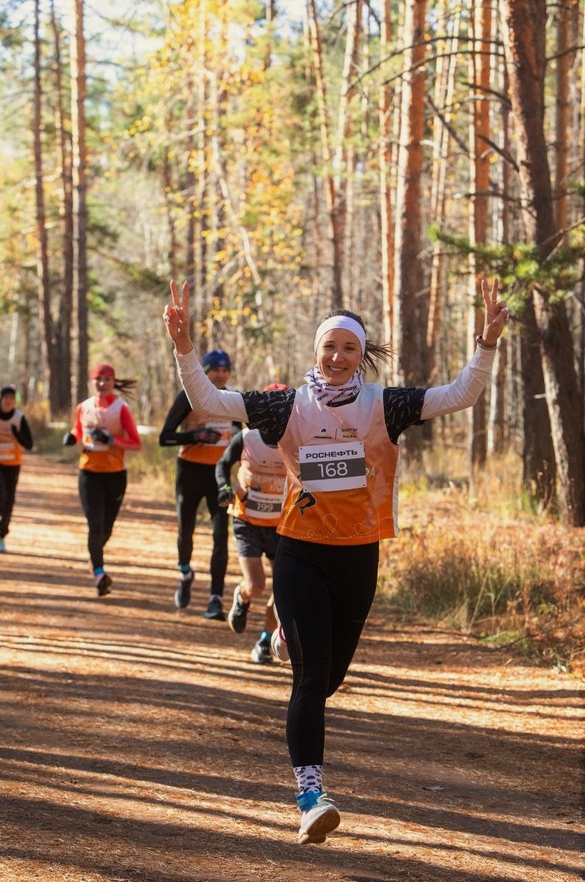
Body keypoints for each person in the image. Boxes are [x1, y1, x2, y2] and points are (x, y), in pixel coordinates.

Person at [163, 277, 509, 846]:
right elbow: (209, 403)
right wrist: (183, 348)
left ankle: (284, 643)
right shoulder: (286, 406)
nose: (339, 356)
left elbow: (458, 395)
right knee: (311, 676)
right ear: (316, 352)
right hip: (299, 552)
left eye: (349, 347)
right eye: (330, 346)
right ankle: (310, 795)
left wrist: (486, 345)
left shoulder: (385, 404)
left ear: (361, 355)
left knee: (330, 678)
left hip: (358, 557)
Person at [159, 349, 241, 621]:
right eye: (215, 370)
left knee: (220, 536)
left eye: (224, 370)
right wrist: (196, 435)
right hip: (190, 473)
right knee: (186, 531)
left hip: (218, 477)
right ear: (204, 371)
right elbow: (165, 437)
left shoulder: (232, 399)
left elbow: (244, 434)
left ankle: (215, 598)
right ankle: (185, 572)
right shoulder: (188, 396)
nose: (220, 374)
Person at [215, 386, 290, 664]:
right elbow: (222, 465)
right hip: (246, 520)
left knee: (284, 589)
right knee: (257, 584)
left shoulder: (295, 440)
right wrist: (223, 487)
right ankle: (243, 597)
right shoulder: (245, 438)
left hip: (282, 525)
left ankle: (263, 640)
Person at [63, 364, 142, 597]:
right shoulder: (83, 407)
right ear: (92, 381)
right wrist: (71, 437)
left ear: (113, 382)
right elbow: (78, 431)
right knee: (95, 525)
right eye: (98, 379)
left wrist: (111, 440)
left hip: (115, 475)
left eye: (107, 379)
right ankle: (99, 573)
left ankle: (93, 558)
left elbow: (136, 443)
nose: (102, 383)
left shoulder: (121, 409)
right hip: (89, 473)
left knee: (106, 528)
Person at [0, 385, 34, 553]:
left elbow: (29, 444)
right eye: (5, 398)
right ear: (1, 400)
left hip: (12, 464)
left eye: (11, 398)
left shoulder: (19, 417)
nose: (8, 401)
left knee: (9, 501)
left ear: (14, 400)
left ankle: (2, 536)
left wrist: (16, 434)